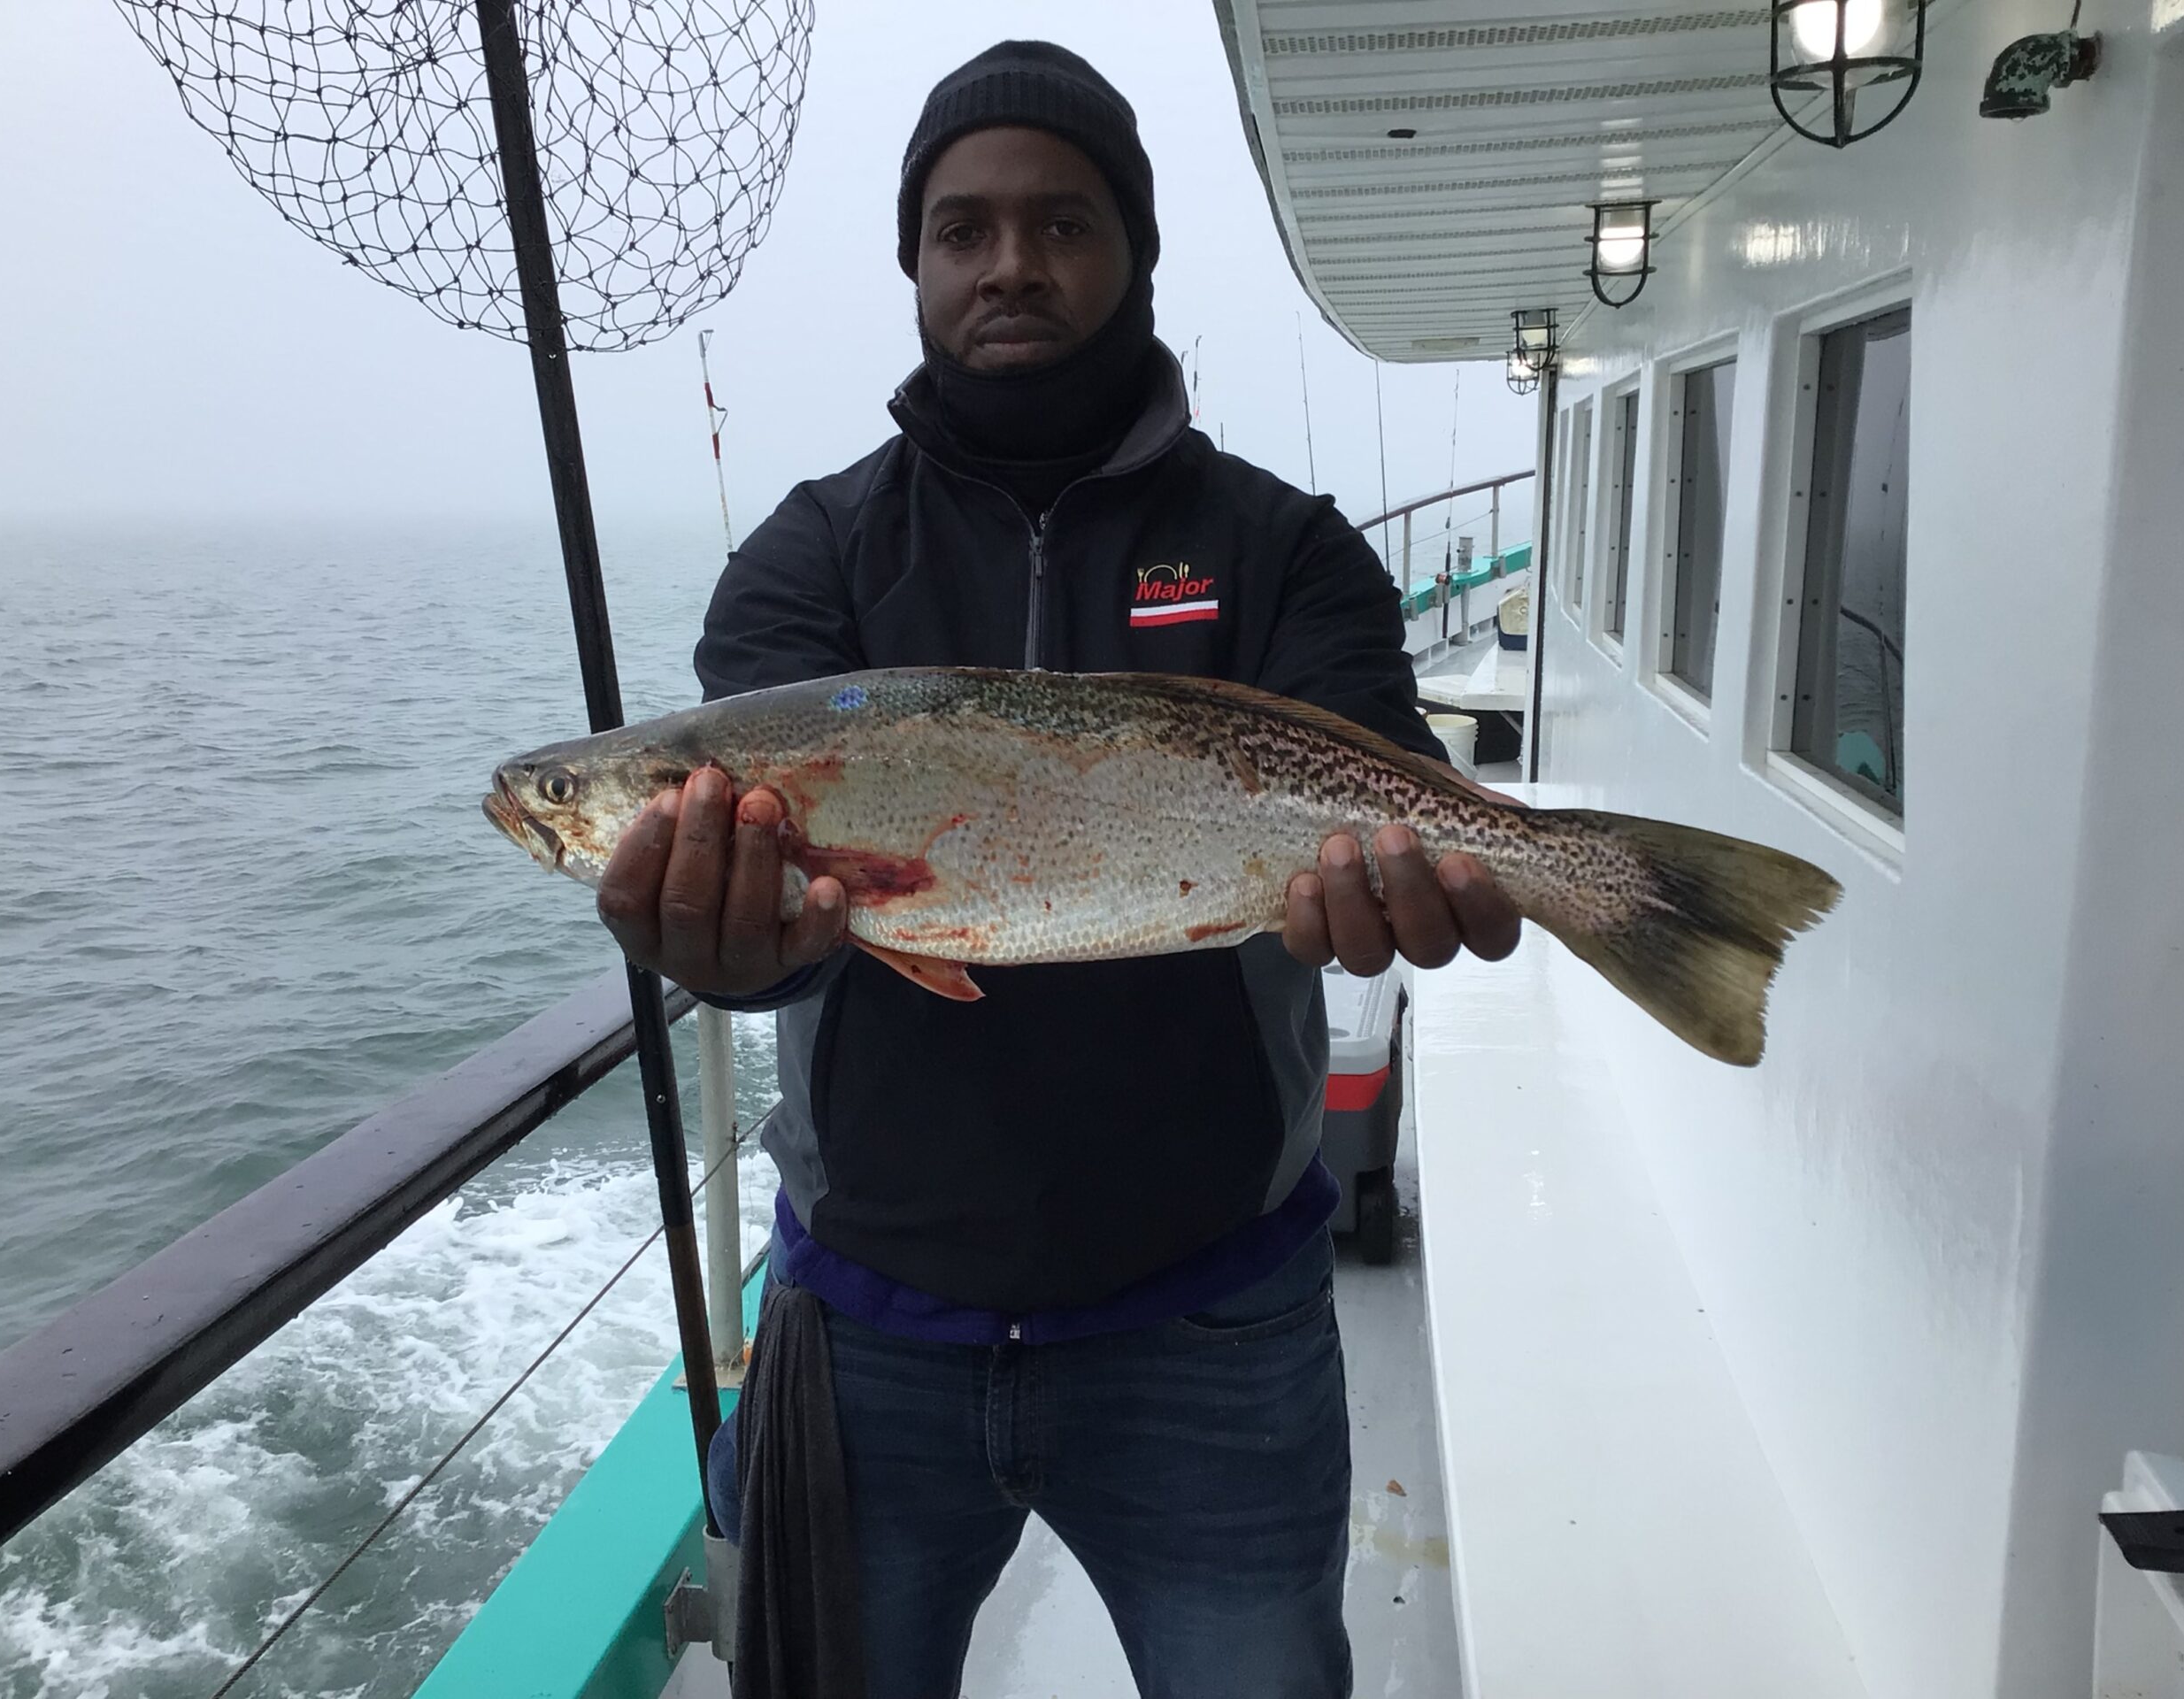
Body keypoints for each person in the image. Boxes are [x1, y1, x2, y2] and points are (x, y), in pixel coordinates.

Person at [595, 40, 1520, 1699]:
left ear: (1135, 251)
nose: (1009, 263)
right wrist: (733, 953)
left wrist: (1415, 881)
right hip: (871, 1320)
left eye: (1062, 221)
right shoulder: (809, 555)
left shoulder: (1281, 544)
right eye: (962, 230)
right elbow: (804, 940)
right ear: (916, 265)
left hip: (1214, 1323)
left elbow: (1385, 791)